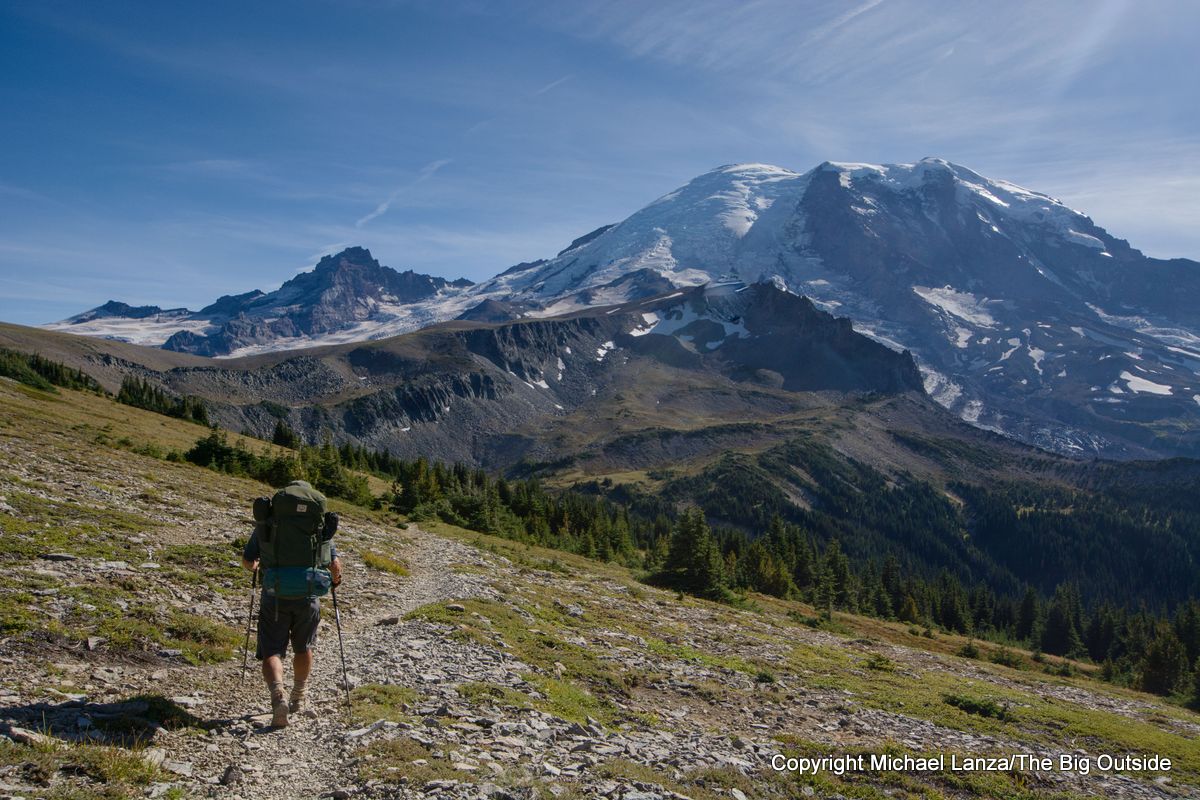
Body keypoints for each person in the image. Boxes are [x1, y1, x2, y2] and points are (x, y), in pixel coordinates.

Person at [242, 483, 342, 729]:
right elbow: (335, 567)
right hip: (308, 597)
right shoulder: (318, 528)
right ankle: (299, 694)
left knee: (271, 650)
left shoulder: (266, 525)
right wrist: (336, 580)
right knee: (303, 646)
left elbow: (247, 561)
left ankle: (278, 697)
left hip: (274, 596)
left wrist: (257, 568)